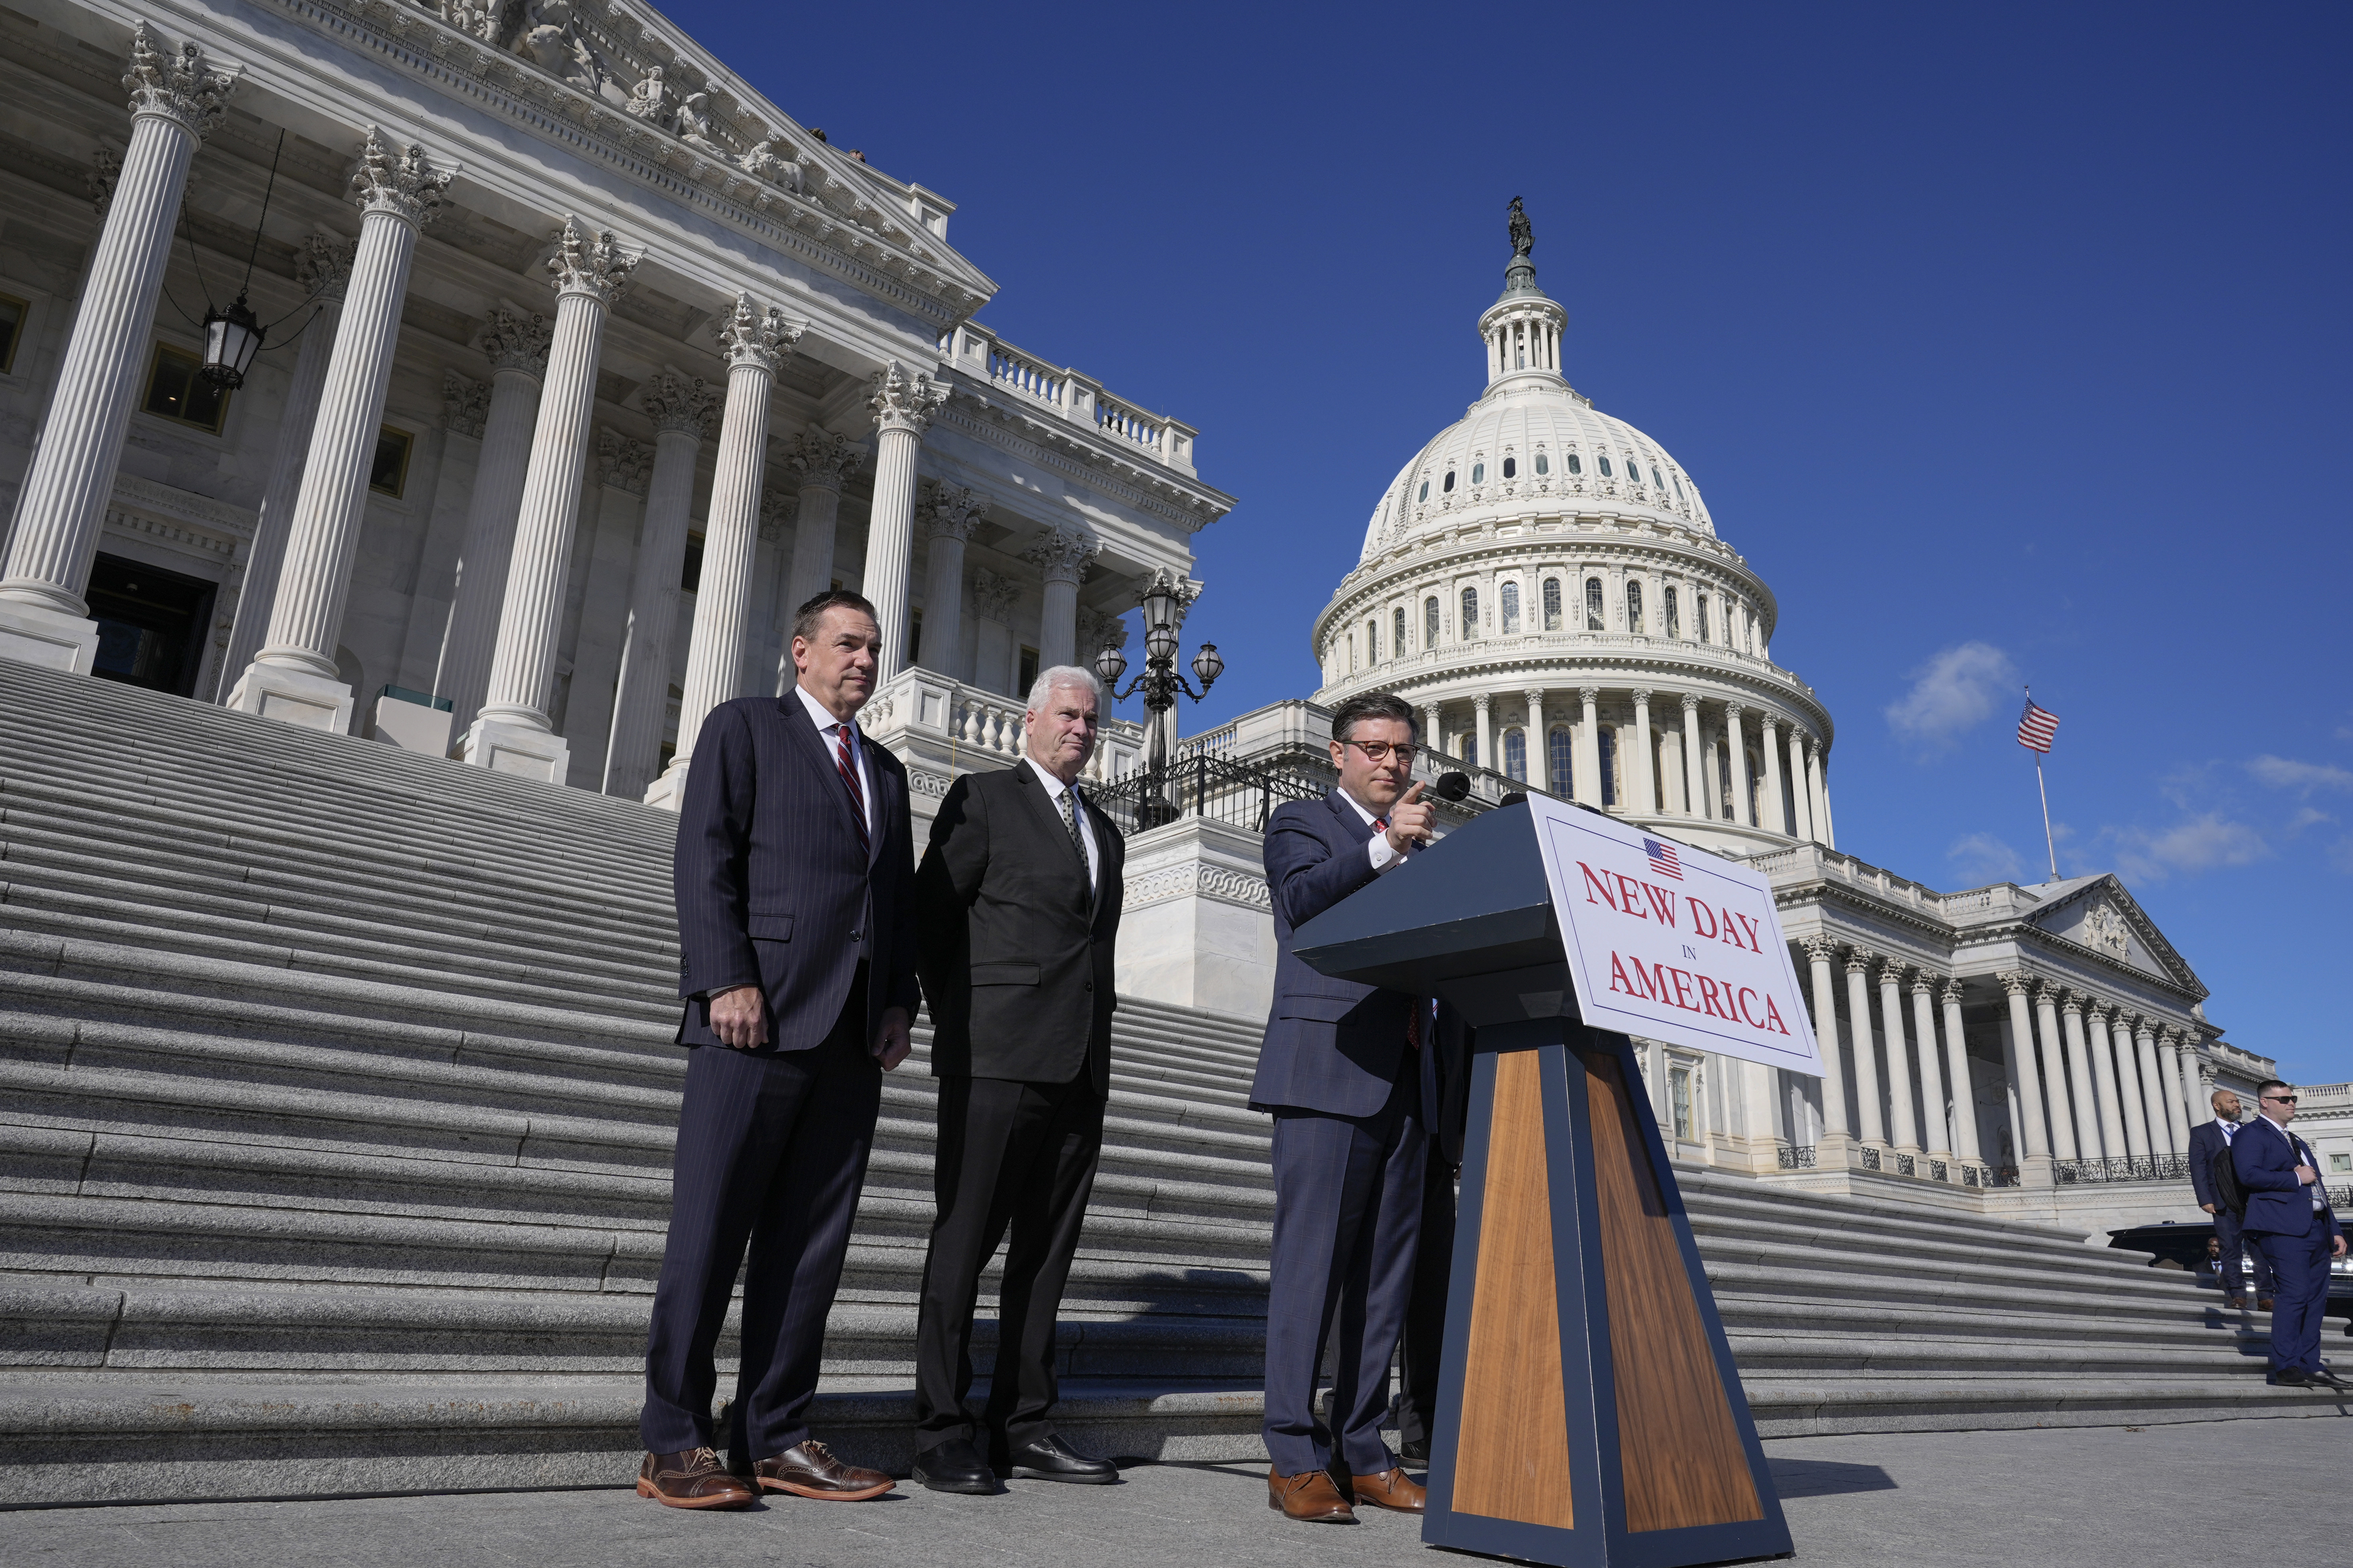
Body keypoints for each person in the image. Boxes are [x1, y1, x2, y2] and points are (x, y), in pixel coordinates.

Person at [635, 590, 919, 1508]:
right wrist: (724, 976)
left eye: (875, 648)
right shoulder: (744, 727)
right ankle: (673, 1439)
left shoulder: (886, 769)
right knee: (710, 1230)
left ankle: (778, 1434)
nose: (864, 661)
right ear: (801, 650)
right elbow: (705, 851)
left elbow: (895, 900)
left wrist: (898, 1002)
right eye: (847, 644)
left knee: (809, 1249)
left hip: (848, 1033)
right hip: (750, 1018)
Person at [908, 667, 1126, 1494]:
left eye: (1091, 718)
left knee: (1045, 1255)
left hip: (1078, 1067)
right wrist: (957, 1016)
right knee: (964, 1243)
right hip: (993, 1058)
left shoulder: (1103, 831)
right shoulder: (986, 798)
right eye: (1067, 714)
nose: (1081, 727)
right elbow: (932, 914)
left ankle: (1024, 1423)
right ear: (1031, 719)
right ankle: (941, 1429)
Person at [1255, 692, 1437, 1525]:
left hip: (1406, 1073)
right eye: (1372, 747)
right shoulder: (1301, 822)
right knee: (1310, 1272)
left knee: (1381, 1283)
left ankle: (1363, 1450)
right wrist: (1383, 846)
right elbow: (1302, 902)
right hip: (1323, 1071)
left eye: (1401, 750)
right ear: (1337, 754)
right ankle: (1294, 1455)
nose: (1389, 763)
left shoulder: (1424, 848)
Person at [2231, 1079, 2348, 1388]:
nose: (2291, 1103)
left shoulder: (2296, 1140)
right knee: (2294, 1296)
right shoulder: (2251, 1134)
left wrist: (2334, 1229)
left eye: (2292, 1097)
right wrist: (2294, 1178)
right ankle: (2286, 1366)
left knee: (2315, 1300)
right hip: (2280, 1228)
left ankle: (2312, 1363)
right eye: (2283, 1099)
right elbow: (2249, 1175)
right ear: (2265, 1103)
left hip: (2315, 1228)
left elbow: (2318, 1188)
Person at [1393, 999, 1470, 1464]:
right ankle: (1346, 1413)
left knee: (1432, 1286)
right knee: (1366, 1279)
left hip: (1440, 1134)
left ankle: (1421, 1423)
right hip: (1385, 1102)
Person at [2189, 1088, 2275, 1309]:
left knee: (2259, 1247)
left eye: (2237, 1101)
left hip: (2254, 1199)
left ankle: (2266, 1295)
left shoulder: (2251, 1131)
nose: (2237, 1105)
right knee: (2230, 1249)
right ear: (2217, 1106)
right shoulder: (2202, 1133)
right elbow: (2198, 1168)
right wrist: (2204, 1199)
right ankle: (2238, 1294)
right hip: (2223, 1200)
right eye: (2231, 1101)